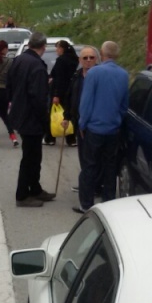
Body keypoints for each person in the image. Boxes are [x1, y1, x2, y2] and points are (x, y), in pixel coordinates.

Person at [75, 41, 129, 214]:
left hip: (94, 128)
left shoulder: (94, 73)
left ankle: (86, 203)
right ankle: (108, 202)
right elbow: (124, 104)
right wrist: (117, 120)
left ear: (101, 54)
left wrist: (82, 123)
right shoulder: (123, 74)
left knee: (90, 166)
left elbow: (86, 102)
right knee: (110, 167)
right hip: (113, 129)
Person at [7, 32, 54, 207]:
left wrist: (15, 102)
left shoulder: (19, 60)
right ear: (43, 47)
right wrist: (45, 121)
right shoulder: (37, 67)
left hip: (20, 113)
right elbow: (38, 98)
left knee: (34, 156)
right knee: (30, 158)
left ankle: (35, 188)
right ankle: (22, 195)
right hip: (32, 118)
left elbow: (9, 84)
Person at [65, 45, 99, 191]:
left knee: (95, 157)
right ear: (80, 60)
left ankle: (95, 185)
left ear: (96, 59)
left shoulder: (100, 76)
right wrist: (66, 117)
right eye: (85, 58)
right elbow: (69, 97)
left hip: (95, 123)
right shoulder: (76, 76)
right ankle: (87, 183)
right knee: (83, 156)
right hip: (79, 123)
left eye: (91, 57)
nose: (88, 60)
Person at [46, 40, 78, 146]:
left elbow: (59, 78)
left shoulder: (61, 60)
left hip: (60, 91)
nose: (56, 50)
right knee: (68, 114)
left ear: (62, 48)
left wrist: (56, 95)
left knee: (53, 114)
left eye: (58, 48)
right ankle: (71, 139)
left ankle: (50, 138)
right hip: (71, 90)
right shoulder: (74, 59)